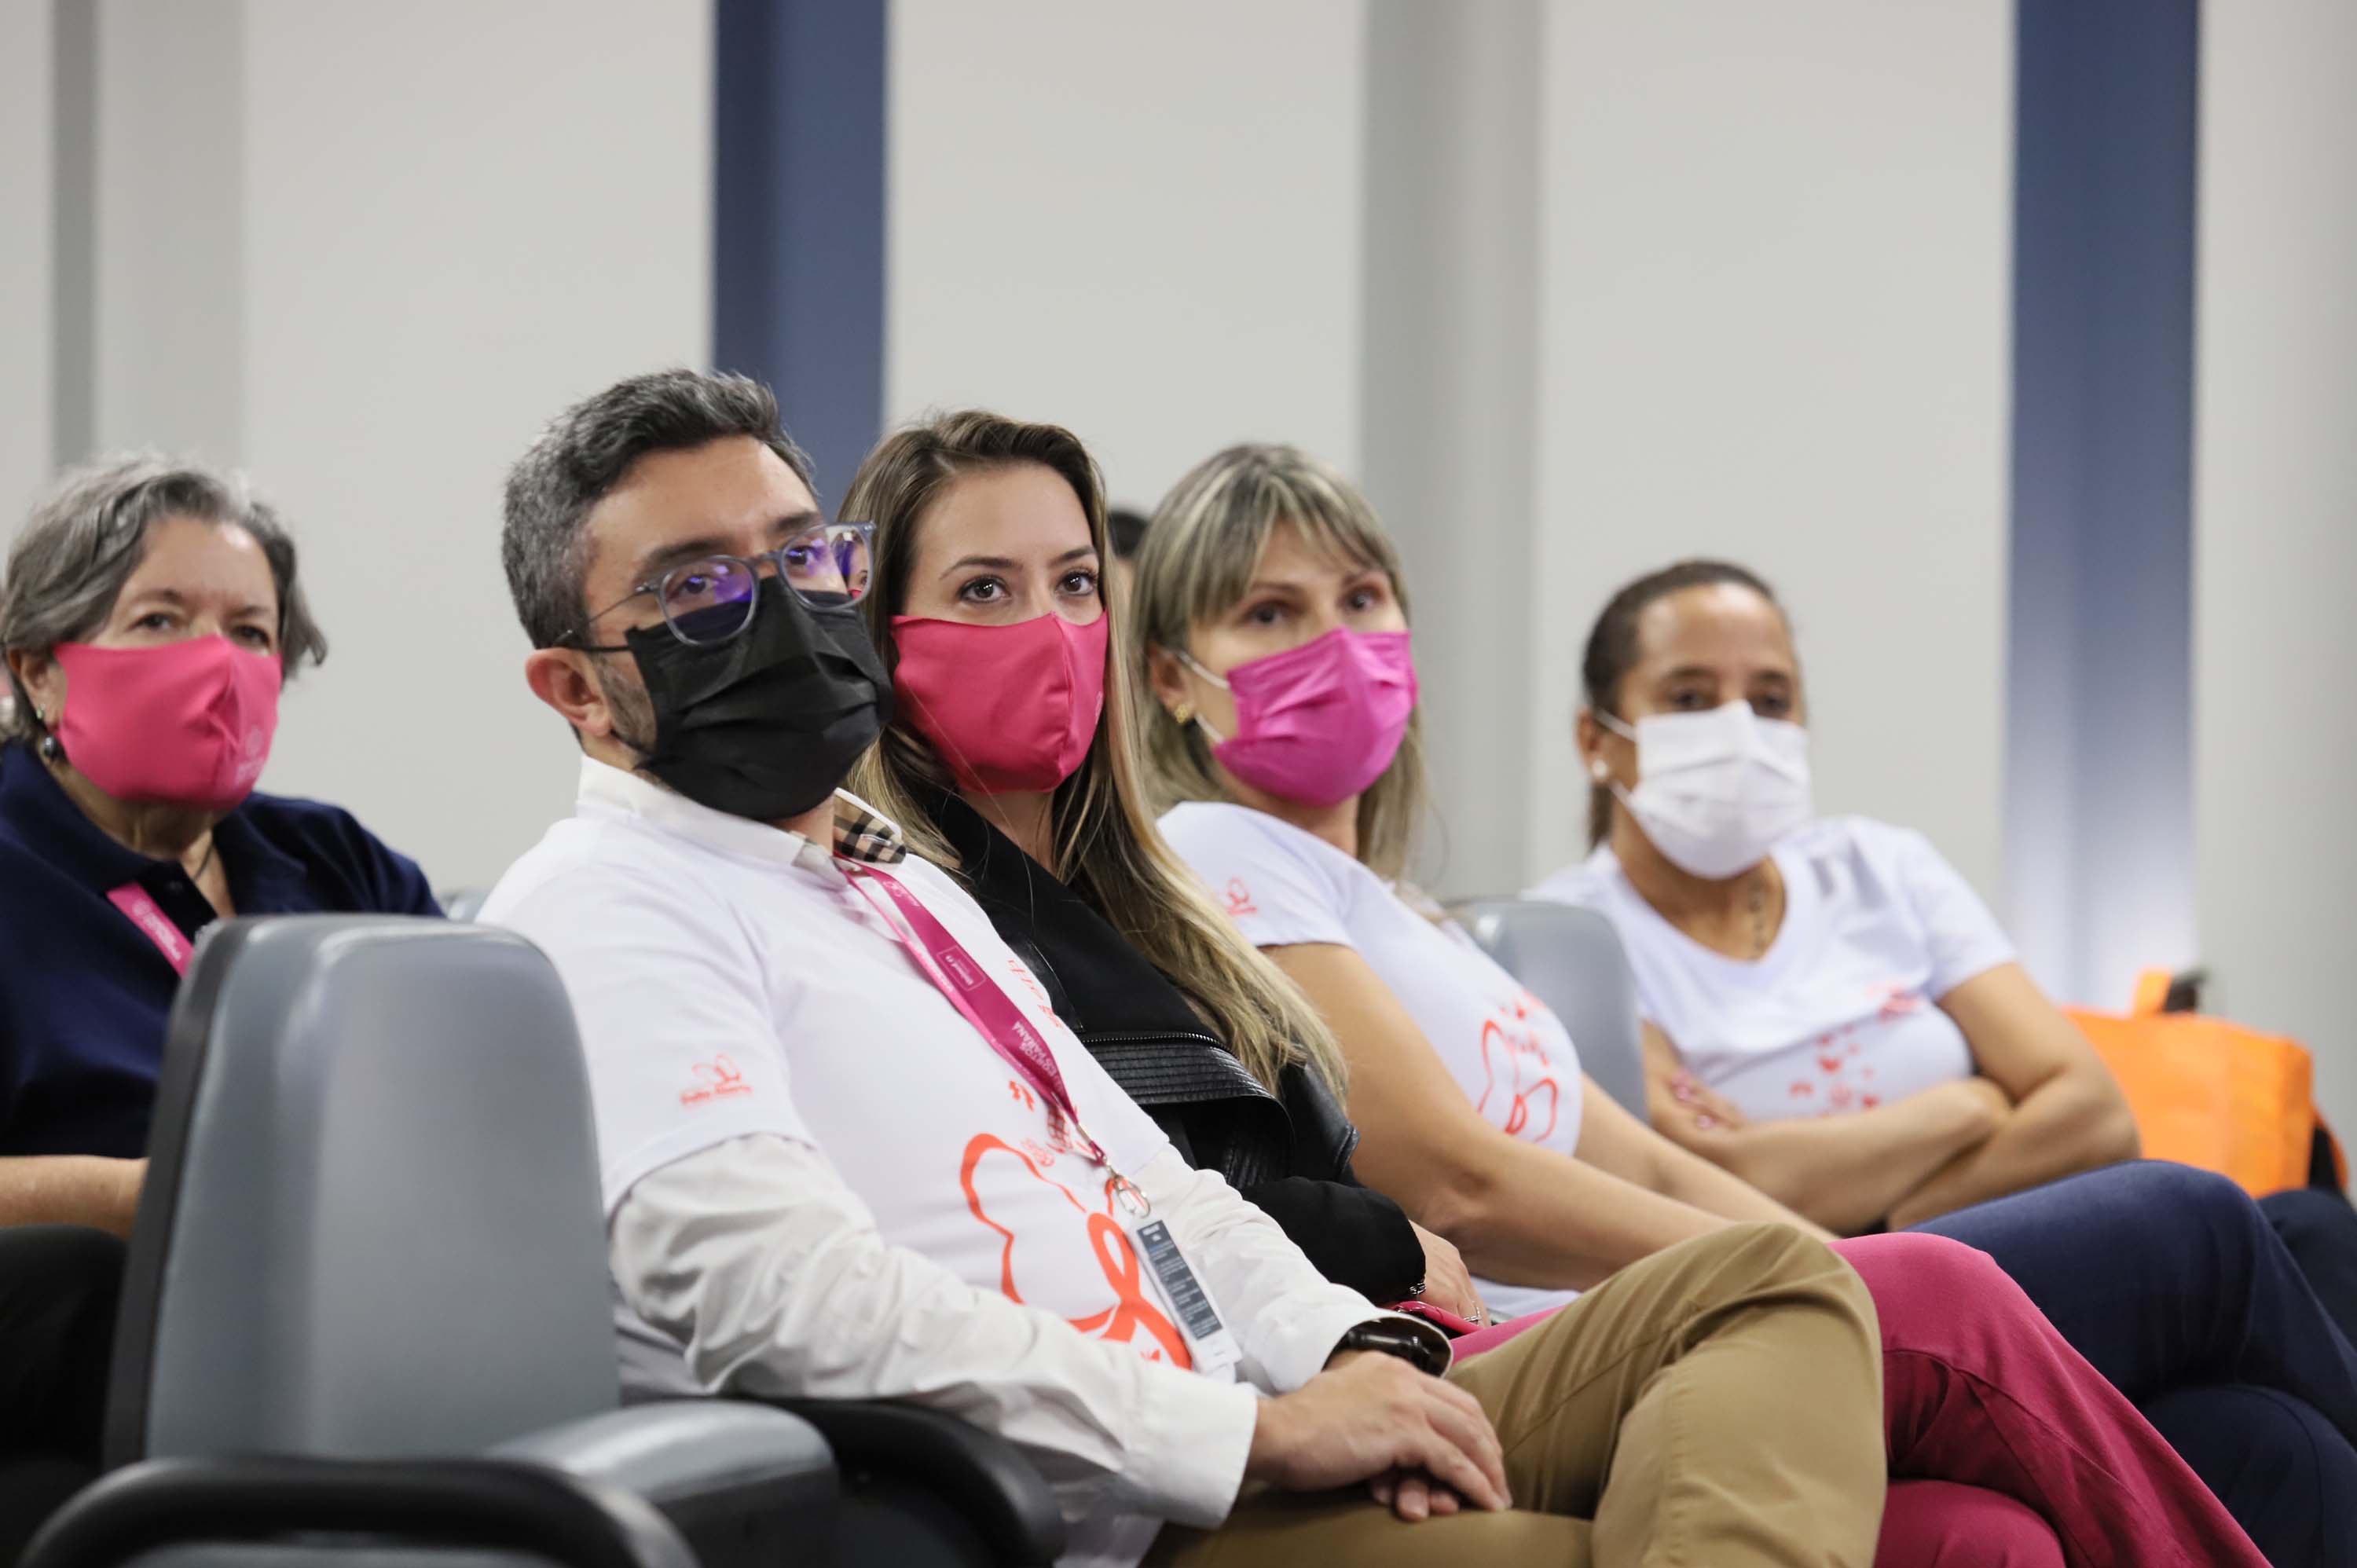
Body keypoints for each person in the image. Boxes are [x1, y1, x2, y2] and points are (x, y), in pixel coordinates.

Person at [480, 369, 1914, 1568]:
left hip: (1232, 1419)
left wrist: (1359, 1358)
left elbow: (1149, 1188)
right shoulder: (608, 904)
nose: (785, 608)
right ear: (578, 690)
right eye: (700, 591)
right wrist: (1250, 1437)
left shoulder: (890, 883)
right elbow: (780, 1305)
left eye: (802, 555)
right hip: (1073, 1504)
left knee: (1773, 1283)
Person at [838, 408, 2274, 1568]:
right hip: (1387, 1358)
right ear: (1176, 678)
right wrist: (1815, 1259)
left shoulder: (1179, 897)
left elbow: (1620, 1153)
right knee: (2181, 1223)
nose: (1334, 644)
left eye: (1074, 582)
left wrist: (1802, 1266)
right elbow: (1434, 1186)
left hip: (1424, 1328)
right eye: (983, 590)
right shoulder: (1079, 883)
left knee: (2057, 1493)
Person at [1527, 559, 2357, 1328]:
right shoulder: (1571, 937)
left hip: (1970, 1254)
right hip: (1811, 1299)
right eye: (1690, 698)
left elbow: (2096, 1116)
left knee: (2305, 1242)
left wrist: (1888, 1223)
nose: (1740, 729)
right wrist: (1965, 1107)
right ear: (1595, 739)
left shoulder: (1881, 868)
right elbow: (1700, 1175)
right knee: (2215, 1225)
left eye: (1772, 700)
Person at [0, 455, 439, 1559]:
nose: (216, 663)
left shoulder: (335, 862)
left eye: (251, 633)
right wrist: (140, 1199)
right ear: (36, 673)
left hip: (361, 1323)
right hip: (77, 1351)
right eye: (160, 619)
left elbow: (468, 1110)